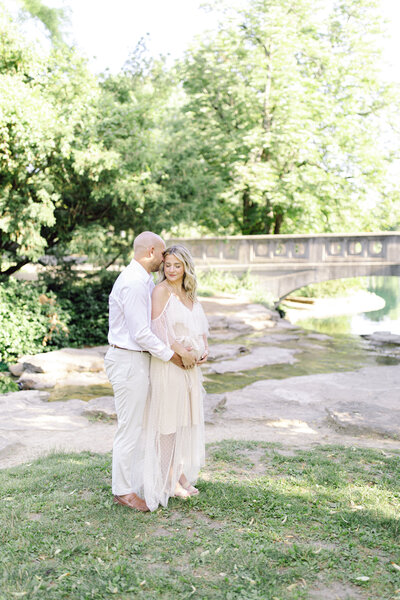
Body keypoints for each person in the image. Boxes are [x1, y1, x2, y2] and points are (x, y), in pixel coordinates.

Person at [104, 232, 196, 512]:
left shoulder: (143, 280)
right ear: (152, 251)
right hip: (129, 360)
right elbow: (141, 333)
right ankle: (123, 491)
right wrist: (174, 357)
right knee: (129, 429)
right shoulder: (133, 283)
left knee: (141, 426)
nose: (165, 259)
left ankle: (157, 477)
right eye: (163, 253)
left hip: (138, 361)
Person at [132, 244, 209, 511]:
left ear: (186, 266)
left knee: (183, 419)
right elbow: (157, 328)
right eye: (168, 265)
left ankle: (178, 471)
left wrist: (203, 348)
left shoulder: (189, 293)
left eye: (177, 265)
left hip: (190, 368)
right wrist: (181, 354)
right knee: (168, 421)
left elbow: (199, 326)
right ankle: (167, 479)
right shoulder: (161, 291)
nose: (172, 270)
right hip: (169, 365)